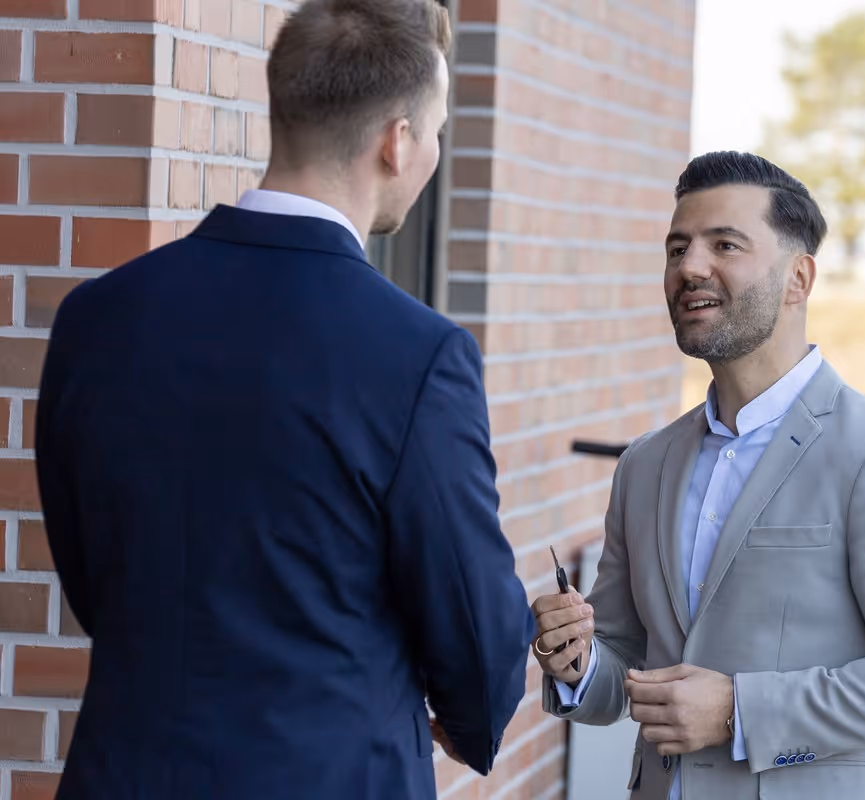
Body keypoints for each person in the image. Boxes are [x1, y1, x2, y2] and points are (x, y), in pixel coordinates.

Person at [35, 1, 534, 797]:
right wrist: (471, 713)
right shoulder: (418, 355)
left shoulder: (96, 317)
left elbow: (95, 580)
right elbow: (475, 642)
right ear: (397, 140)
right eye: (437, 130)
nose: (436, 152)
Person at [531, 152, 865, 800]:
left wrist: (738, 712)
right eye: (677, 248)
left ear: (798, 278)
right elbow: (622, 670)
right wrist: (577, 660)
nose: (689, 267)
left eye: (725, 244)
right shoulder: (644, 466)